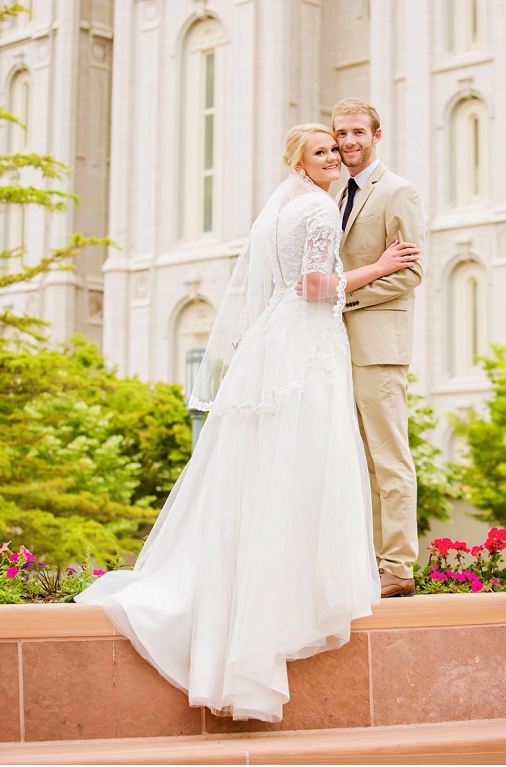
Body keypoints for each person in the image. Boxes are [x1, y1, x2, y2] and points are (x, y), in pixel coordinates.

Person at [77, 125, 418, 722]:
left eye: (337, 150)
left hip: (274, 340)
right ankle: (294, 597)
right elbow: (315, 287)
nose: (334, 157)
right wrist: (380, 265)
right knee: (307, 460)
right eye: (322, 151)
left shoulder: (280, 208)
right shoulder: (315, 209)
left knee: (266, 466)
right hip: (309, 341)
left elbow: (275, 289)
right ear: (300, 162)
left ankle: (255, 588)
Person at [331, 98, 426, 598]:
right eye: (340, 134)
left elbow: (411, 270)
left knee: (390, 458)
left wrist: (344, 296)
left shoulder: (397, 192)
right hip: (336, 347)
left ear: (377, 135)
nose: (348, 142)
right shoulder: (335, 193)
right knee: (359, 459)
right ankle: (373, 562)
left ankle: (400, 566)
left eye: (357, 133)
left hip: (379, 347)